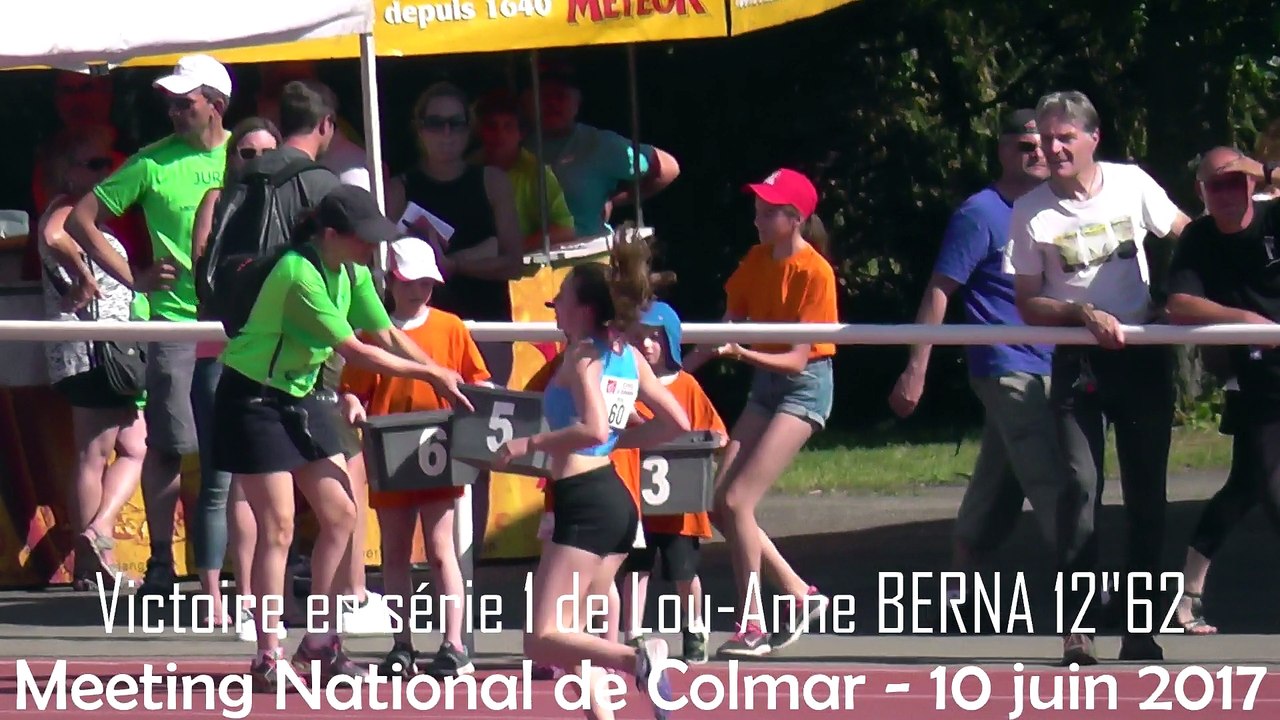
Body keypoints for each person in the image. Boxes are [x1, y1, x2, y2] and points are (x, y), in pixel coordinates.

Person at [211, 185, 471, 690]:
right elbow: (356, 350)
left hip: (300, 396)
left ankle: (320, 642)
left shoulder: (352, 272)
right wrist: (434, 377)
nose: (371, 249)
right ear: (330, 235)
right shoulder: (297, 272)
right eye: (363, 239)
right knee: (279, 525)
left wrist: (443, 370)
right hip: (251, 399)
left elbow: (389, 334)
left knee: (342, 515)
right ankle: (268, 656)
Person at [1003, 90, 1191, 665]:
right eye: (1045, 139)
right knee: (1081, 490)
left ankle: (1142, 626)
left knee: (1147, 495)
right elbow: (1029, 302)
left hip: (1140, 357)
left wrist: (1177, 296)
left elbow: (1187, 234)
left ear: (1093, 139)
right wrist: (1081, 313)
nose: (1053, 149)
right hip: (1077, 361)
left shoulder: (1132, 184)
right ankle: (1078, 627)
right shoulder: (1031, 210)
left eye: (1065, 138)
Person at [493, 235, 691, 720]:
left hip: (584, 501)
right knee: (577, 632)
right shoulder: (627, 356)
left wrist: (530, 445)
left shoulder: (583, 355)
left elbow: (595, 426)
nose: (554, 306)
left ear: (583, 308)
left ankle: (638, 658)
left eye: (560, 298)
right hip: (613, 500)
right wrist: (616, 443)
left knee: (542, 638)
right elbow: (676, 424)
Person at [888, 109, 1061, 579]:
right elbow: (940, 289)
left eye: (1045, 144)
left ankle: (960, 581)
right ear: (1003, 150)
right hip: (1005, 364)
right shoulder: (980, 213)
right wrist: (916, 368)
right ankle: (1086, 583)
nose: (1038, 155)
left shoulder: (1055, 209)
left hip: (1056, 363)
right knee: (1051, 475)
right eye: (1025, 146)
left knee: (999, 479)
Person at [683, 168, 837, 657]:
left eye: (769, 210)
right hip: (767, 384)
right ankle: (799, 594)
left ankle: (751, 622)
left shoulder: (815, 273)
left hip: (803, 387)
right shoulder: (756, 259)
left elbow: (797, 357)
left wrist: (743, 354)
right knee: (718, 503)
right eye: (758, 207)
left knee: (739, 501)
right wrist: (677, 371)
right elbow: (726, 326)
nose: (758, 217)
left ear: (795, 219)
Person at [338, 237, 488, 678]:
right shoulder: (372, 333)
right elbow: (353, 388)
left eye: (426, 282)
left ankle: (454, 643)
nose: (419, 290)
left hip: (439, 450)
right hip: (388, 449)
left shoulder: (451, 327)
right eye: (410, 281)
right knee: (396, 552)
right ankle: (402, 643)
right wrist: (351, 403)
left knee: (442, 551)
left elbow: (477, 380)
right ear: (392, 280)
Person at [1166, 147, 1280, 635]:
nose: (1229, 193)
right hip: (1260, 377)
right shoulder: (1199, 238)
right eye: (1217, 186)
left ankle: (1187, 594)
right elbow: (1179, 302)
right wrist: (1250, 322)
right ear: (1201, 193)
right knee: (1264, 487)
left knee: (1245, 486)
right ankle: (1187, 595)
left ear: (1253, 185)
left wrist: (1262, 168)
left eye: (1237, 183)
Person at [36, 125, 146, 591]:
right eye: (95, 164)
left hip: (102, 349)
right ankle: (94, 548)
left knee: (129, 446)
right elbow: (51, 233)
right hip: (92, 350)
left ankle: (92, 548)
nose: (107, 171)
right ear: (70, 171)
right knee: (99, 451)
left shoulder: (85, 214)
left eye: (110, 162)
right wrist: (84, 275)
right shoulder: (63, 206)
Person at [188, 115, 282, 631]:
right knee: (220, 480)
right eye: (246, 154)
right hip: (218, 348)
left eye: (266, 153)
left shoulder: (290, 203)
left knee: (264, 482)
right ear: (232, 159)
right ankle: (217, 597)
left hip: (271, 353)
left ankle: (258, 597)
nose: (257, 163)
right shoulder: (216, 202)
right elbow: (205, 276)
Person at [620, 300, 726, 665]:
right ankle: (632, 631)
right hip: (638, 503)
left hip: (680, 505)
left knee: (685, 573)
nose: (647, 344)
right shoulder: (627, 383)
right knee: (635, 569)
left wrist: (706, 445)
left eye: (654, 337)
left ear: (670, 341)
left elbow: (718, 434)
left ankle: (694, 628)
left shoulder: (688, 386)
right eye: (640, 337)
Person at [523, 63, 679, 239]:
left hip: (589, 258)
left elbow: (667, 167)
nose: (551, 103)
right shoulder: (509, 143)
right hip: (524, 261)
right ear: (527, 101)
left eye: (560, 96)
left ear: (577, 101)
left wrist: (614, 198)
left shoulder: (599, 145)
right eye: (543, 96)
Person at [472, 87, 577, 252]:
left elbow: (565, 230)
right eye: (492, 126)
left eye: (508, 127)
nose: (500, 134)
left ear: (521, 133)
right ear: (480, 131)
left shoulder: (538, 174)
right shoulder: (467, 168)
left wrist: (508, 250)